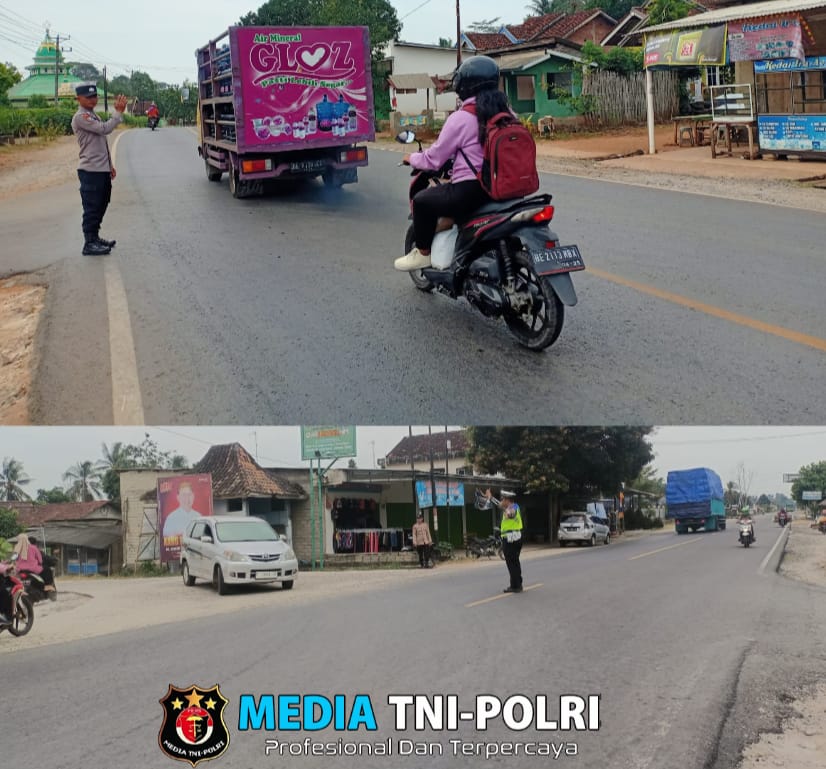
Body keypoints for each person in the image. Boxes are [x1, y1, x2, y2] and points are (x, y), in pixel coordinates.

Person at [394, 56, 507, 272]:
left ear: (464, 86)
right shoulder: (507, 114)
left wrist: (412, 158)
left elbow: (434, 157)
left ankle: (423, 254)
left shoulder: (461, 118)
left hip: (473, 190)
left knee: (421, 201)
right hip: (505, 187)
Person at [71, 84, 128, 256]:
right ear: (78, 99)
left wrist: (109, 166)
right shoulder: (81, 117)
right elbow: (104, 129)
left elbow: (101, 144)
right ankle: (89, 243)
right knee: (92, 207)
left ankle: (94, 237)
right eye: (88, 97)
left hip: (101, 170)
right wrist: (118, 112)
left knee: (102, 203)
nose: (92, 99)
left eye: (94, 96)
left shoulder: (92, 115)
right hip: (90, 171)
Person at [486, 488, 523, 593]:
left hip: (512, 540)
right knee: (514, 562)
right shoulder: (509, 507)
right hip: (513, 539)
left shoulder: (514, 507)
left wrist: (509, 513)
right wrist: (491, 498)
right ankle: (517, 584)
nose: (501, 501)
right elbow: (499, 505)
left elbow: (511, 513)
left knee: (511, 563)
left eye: (503, 499)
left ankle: (516, 586)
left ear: (507, 500)